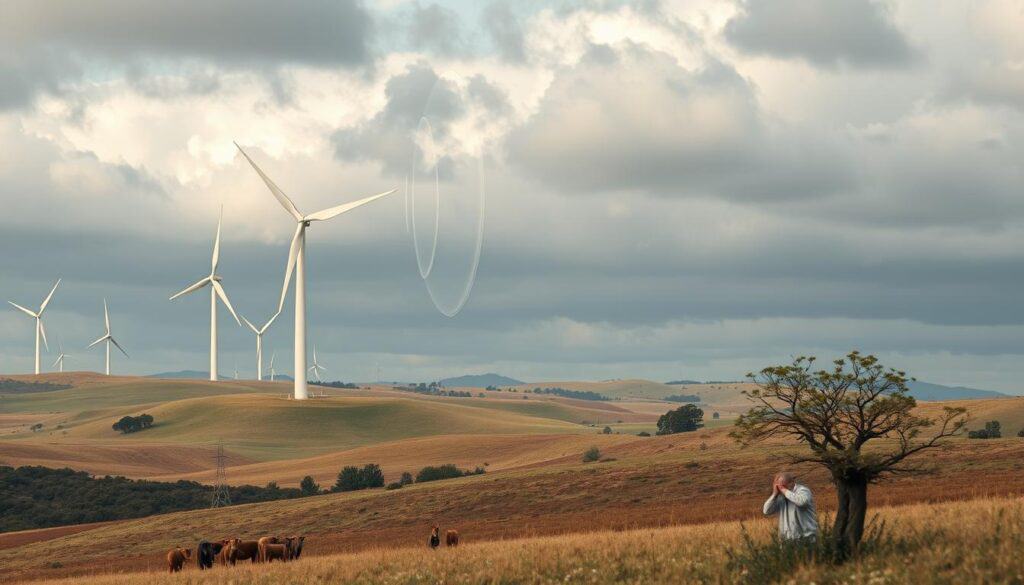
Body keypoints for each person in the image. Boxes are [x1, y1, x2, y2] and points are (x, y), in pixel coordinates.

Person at [763, 471, 818, 541]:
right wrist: (774, 494)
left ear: (791, 483)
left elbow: (802, 502)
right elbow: (766, 511)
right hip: (787, 539)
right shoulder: (780, 496)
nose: (779, 488)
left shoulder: (803, 491)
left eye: (782, 485)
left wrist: (784, 490)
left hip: (806, 537)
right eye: (778, 486)